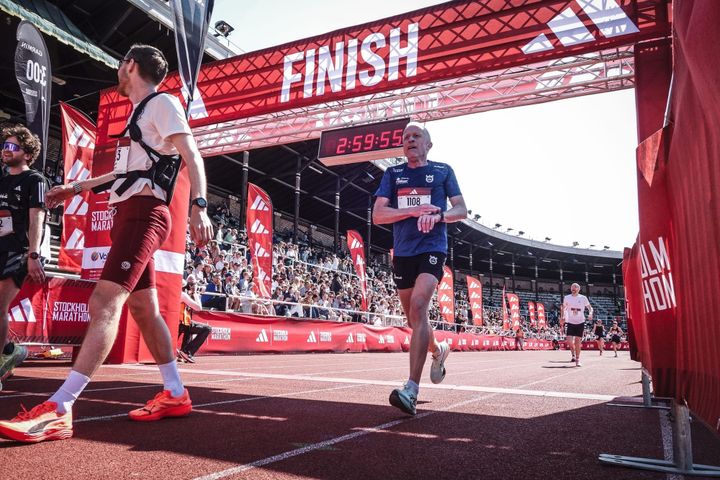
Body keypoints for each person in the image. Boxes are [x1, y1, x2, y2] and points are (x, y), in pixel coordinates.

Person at [0, 44, 213, 443]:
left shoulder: (161, 102)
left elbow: (193, 155)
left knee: (103, 302)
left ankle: (60, 407)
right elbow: (124, 173)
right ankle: (175, 392)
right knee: (144, 309)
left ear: (130, 66)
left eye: (120, 64)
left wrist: (199, 206)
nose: (118, 70)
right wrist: (77, 188)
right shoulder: (140, 114)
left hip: (144, 213)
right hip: (129, 213)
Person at [373, 122, 467, 415]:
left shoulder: (443, 171)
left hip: (432, 248)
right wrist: (413, 211)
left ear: (428, 144)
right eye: (406, 138)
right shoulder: (393, 174)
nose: (410, 140)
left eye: (416, 136)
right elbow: (378, 215)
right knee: (414, 320)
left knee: (419, 306)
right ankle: (439, 351)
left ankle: (411, 389)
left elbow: (461, 210)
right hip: (403, 251)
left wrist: (439, 216)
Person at [0, 125, 48, 390]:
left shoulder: (35, 180)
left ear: (27, 154)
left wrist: (33, 254)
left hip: (17, 251)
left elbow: (36, 217)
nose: (6, 150)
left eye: (13, 146)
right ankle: (10, 349)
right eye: (5, 146)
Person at [177, 281, 211, 363]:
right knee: (206, 329)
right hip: (179, 323)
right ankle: (187, 352)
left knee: (188, 326)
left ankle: (183, 353)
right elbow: (198, 308)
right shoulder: (182, 294)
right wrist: (196, 293)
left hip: (177, 322)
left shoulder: (173, 293)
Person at [560, 283, 593, 367]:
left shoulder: (583, 298)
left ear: (578, 289)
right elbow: (564, 308)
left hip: (580, 322)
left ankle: (577, 359)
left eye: (575, 288)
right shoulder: (567, 297)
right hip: (570, 322)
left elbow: (589, 307)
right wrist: (563, 317)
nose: (573, 289)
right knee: (569, 341)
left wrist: (590, 313)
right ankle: (574, 352)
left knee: (577, 342)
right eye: (572, 287)